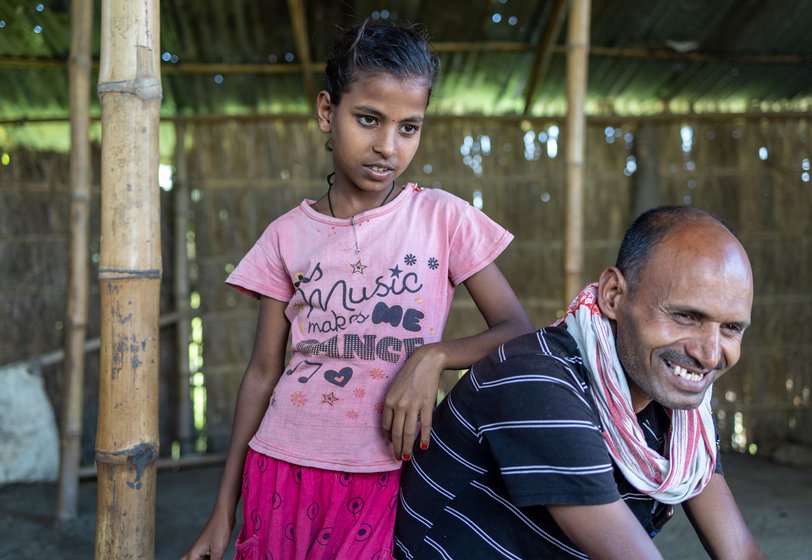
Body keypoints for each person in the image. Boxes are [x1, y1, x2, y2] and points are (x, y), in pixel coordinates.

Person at [182, 20, 533, 560]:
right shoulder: (286, 236)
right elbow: (261, 373)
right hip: (278, 468)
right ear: (327, 112)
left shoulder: (442, 219)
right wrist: (221, 511)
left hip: (386, 472)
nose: (387, 146)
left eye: (409, 127)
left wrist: (432, 357)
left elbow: (516, 330)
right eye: (368, 119)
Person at [395, 206, 767, 559]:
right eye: (686, 316)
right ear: (613, 295)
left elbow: (739, 551)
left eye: (731, 328)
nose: (709, 353)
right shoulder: (537, 381)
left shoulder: (683, 414)